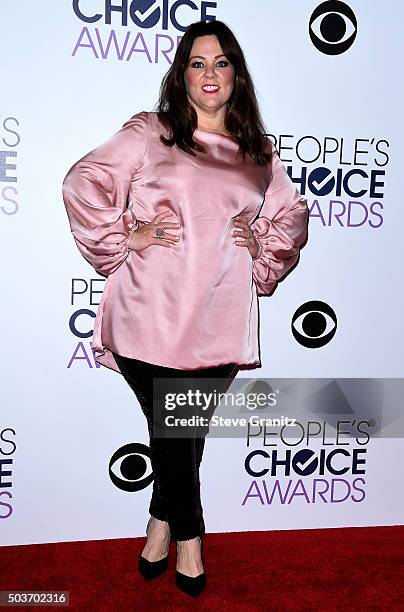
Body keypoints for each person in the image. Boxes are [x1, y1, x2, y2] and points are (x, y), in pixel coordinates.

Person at [62, 19, 309, 598]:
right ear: (182, 73)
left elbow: (291, 216)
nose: (210, 74)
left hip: (220, 318)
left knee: (181, 433)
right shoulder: (153, 132)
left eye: (221, 63)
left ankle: (158, 526)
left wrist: (263, 250)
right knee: (175, 430)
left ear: (237, 75)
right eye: (198, 63)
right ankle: (190, 540)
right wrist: (127, 234)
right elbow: (83, 180)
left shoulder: (258, 152)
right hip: (149, 311)